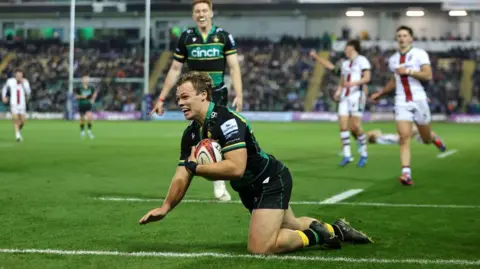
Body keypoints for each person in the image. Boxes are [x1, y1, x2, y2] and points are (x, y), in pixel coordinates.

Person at [139, 71, 373, 255]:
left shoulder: (227, 121)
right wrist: (165, 207)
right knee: (291, 224)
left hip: (270, 180)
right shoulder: (191, 134)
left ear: (203, 95)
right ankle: (336, 229)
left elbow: (236, 167)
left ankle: (319, 236)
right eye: (178, 98)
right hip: (249, 188)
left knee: (261, 247)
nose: (180, 102)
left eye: (185, 97)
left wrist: (197, 168)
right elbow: (182, 174)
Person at [151, 0, 244, 201]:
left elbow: (234, 67)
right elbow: (175, 69)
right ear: (193, 16)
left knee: (219, 134)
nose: (201, 14)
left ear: (211, 13)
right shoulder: (186, 37)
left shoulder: (223, 36)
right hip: (194, 95)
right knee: (202, 135)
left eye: (204, 10)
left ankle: (221, 178)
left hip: (217, 92)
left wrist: (239, 93)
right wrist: (161, 98)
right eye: (197, 11)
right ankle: (215, 179)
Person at [370, 26, 446, 186]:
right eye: (399, 36)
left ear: (411, 38)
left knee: (425, 139)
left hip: (419, 99)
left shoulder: (420, 54)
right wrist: (380, 93)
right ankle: (406, 173)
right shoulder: (393, 60)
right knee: (404, 137)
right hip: (401, 101)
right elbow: (394, 81)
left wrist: (409, 71)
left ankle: (433, 138)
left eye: (405, 35)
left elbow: (428, 75)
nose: (402, 38)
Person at [310, 40, 371, 167]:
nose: (345, 51)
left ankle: (364, 153)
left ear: (353, 48)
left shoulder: (362, 60)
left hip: (357, 96)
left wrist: (353, 84)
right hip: (345, 96)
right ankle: (347, 155)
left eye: (347, 48)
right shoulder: (345, 64)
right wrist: (338, 91)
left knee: (355, 127)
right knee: (343, 126)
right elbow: (342, 81)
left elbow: (367, 78)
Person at [1, 69, 31, 142]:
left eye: (20, 75)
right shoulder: (10, 81)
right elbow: (4, 88)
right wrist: (3, 96)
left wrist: (23, 83)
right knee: (15, 120)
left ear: (22, 75)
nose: (19, 76)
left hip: (22, 104)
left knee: (23, 122)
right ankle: (17, 136)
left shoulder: (25, 82)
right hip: (14, 103)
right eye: (17, 75)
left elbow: (28, 92)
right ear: (15, 75)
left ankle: (18, 131)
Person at [75, 74, 98, 140]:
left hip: (88, 104)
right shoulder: (79, 87)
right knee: (82, 119)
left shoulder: (91, 87)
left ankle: (89, 131)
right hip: (81, 104)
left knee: (89, 117)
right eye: (84, 79)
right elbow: (76, 96)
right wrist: (83, 96)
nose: (86, 80)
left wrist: (93, 99)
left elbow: (95, 93)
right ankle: (82, 131)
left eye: (87, 79)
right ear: (82, 80)